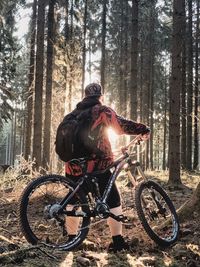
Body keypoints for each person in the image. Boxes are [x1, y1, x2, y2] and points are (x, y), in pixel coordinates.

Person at [65, 83, 150, 252]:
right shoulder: (101, 110)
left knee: (73, 200)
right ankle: (118, 242)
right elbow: (120, 125)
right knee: (113, 199)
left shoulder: (72, 115)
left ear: (85, 96)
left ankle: (72, 240)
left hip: (73, 165)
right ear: (100, 96)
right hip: (98, 165)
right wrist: (143, 129)